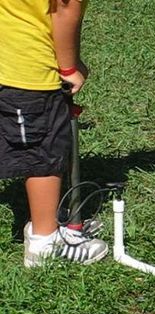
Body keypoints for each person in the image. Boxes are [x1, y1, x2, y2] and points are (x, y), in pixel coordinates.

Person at [0, 0, 108, 267]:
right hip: (28, 70)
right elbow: (65, 10)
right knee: (44, 153)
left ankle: (53, 224)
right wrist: (69, 67)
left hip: (8, 57)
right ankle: (44, 242)